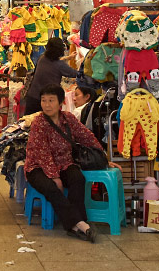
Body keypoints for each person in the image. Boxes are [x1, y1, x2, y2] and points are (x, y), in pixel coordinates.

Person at [23, 85, 104, 241]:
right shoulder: (38, 122)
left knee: (78, 179)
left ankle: (75, 224)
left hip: (64, 163)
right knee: (51, 187)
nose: (47, 105)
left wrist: (102, 156)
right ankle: (81, 225)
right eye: (43, 100)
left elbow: (86, 136)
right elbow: (42, 152)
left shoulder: (68, 118)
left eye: (51, 100)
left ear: (60, 102)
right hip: (37, 167)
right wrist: (54, 176)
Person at [22, 37, 80, 116]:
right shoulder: (59, 65)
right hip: (47, 101)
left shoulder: (42, 58)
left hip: (32, 97)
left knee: (28, 123)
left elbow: (54, 63)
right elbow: (75, 73)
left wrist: (68, 58)